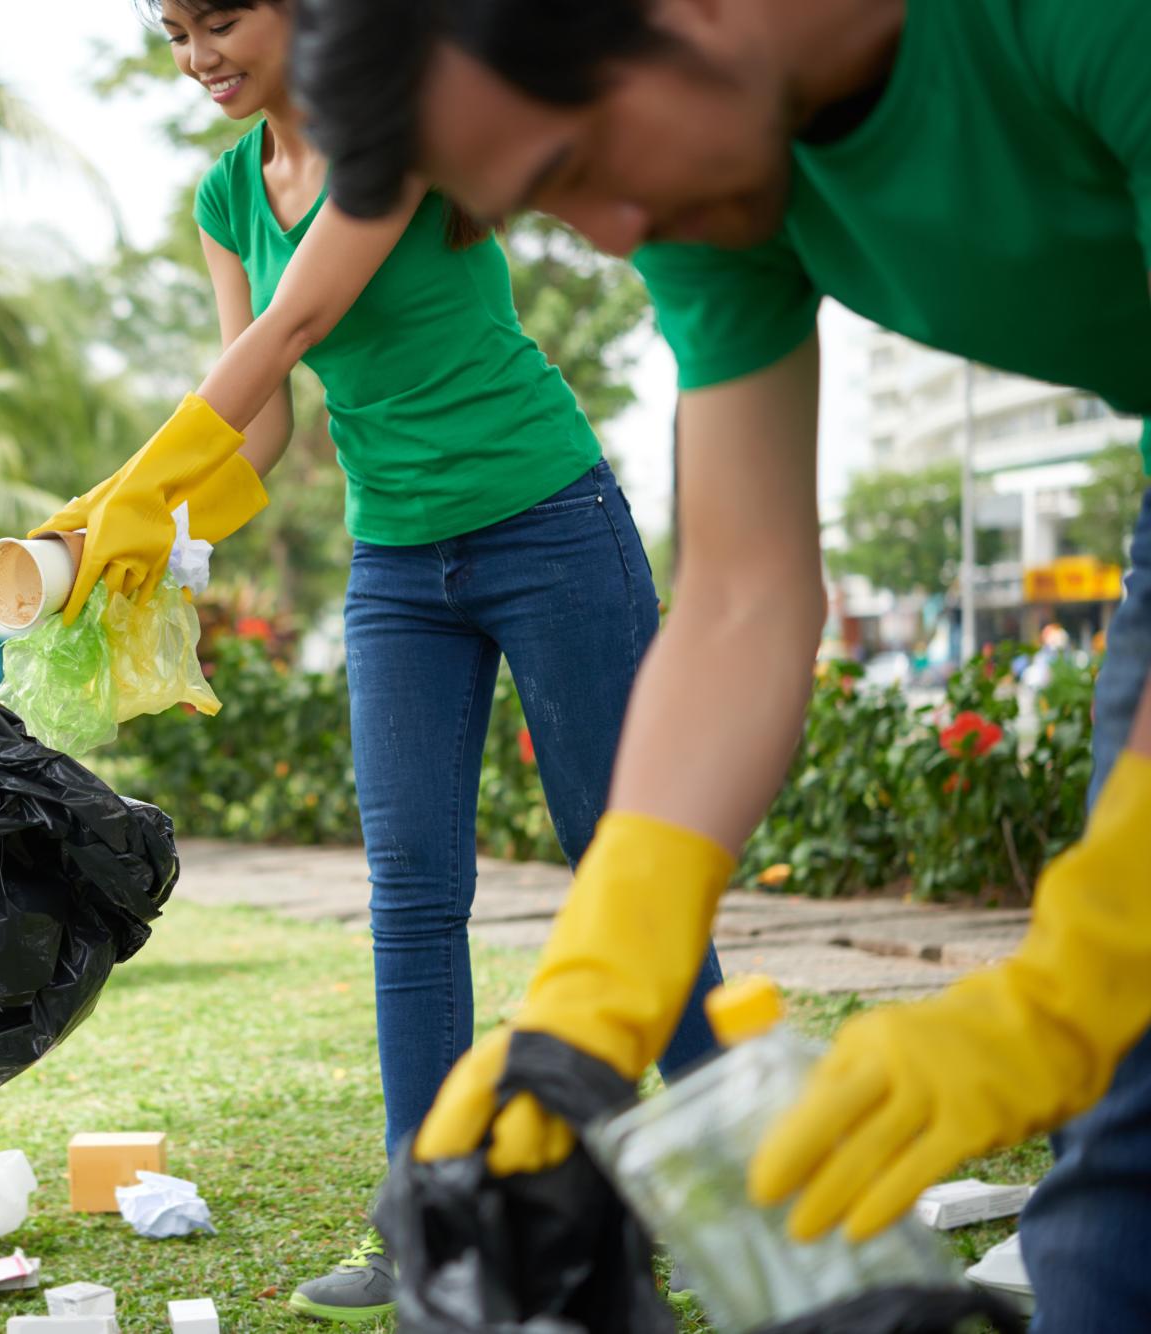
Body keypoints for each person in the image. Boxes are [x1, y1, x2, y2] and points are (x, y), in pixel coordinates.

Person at [291, 1, 1151, 1325]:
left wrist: (1082, 972)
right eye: (547, 206)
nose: (615, 233)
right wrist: (600, 975)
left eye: (574, 164)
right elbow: (746, 590)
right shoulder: (716, 167)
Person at [44, 2, 724, 1318]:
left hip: (548, 521)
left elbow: (289, 331)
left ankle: (723, 1179)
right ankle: (432, 1220)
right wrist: (126, 536)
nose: (198, 57)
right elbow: (257, 436)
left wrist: (124, 489)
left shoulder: (393, 132)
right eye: (175, 32)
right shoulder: (225, 194)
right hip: (399, 567)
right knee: (412, 892)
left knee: (623, 857)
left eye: (222, 19)